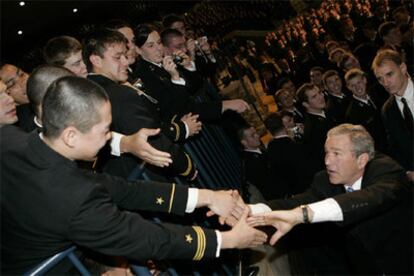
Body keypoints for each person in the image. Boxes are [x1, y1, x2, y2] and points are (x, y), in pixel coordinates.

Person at [1, 76, 267, 274]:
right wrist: (229, 240)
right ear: (70, 135)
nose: (110, 138)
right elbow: (149, 239)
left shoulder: (10, 138)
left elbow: (123, 189)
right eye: (105, 130)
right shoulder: (73, 198)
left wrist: (207, 196)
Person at [249, 124, 413, 275]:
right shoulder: (324, 180)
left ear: (361, 159)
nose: (327, 161)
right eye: (327, 153)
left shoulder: (385, 170)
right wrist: (252, 211)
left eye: (336, 154)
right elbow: (298, 201)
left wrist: (304, 214)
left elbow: (371, 197)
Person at [84, 28, 197, 180]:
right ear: (96, 60)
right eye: (117, 57)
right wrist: (186, 166)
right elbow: (151, 139)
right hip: (142, 179)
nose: (125, 62)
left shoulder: (85, 92)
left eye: (125, 55)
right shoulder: (119, 93)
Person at [373, 49, 413, 181]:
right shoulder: (387, 110)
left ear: (402, 68)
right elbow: (396, 148)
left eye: (389, 74)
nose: (385, 83)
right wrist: (407, 172)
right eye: (380, 78)